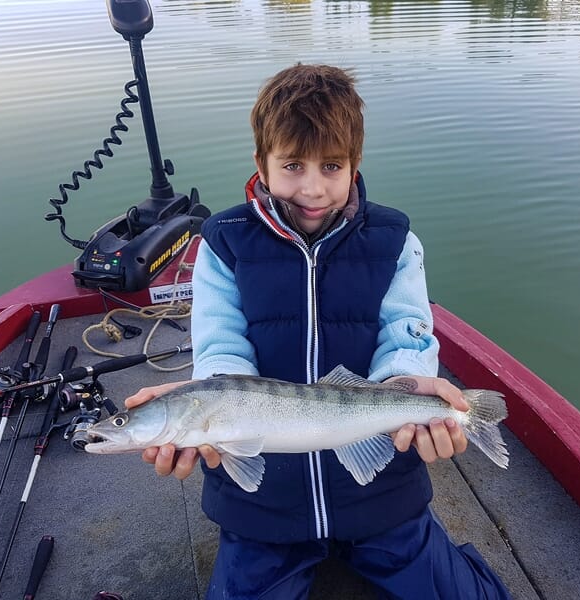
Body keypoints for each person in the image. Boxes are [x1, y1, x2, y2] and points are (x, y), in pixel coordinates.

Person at [126, 63, 511, 599]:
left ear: (355, 164)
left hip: (380, 493)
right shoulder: (223, 242)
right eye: (292, 166)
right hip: (264, 505)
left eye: (332, 166)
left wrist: (407, 380)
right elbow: (221, 347)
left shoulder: (396, 240)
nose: (312, 187)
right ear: (261, 165)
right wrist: (209, 407)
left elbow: (406, 335)